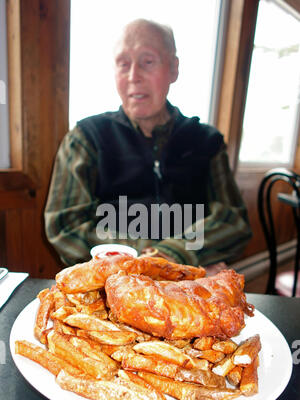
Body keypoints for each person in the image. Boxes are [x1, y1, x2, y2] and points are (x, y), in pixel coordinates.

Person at [44, 18, 252, 269]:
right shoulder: (85, 138)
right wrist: (151, 259)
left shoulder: (207, 141)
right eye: (123, 64)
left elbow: (234, 222)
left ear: (173, 69)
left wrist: (175, 252)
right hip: (113, 283)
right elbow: (66, 226)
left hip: (192, 281)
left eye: (147, 61)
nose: (134, 76)